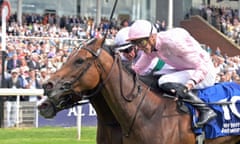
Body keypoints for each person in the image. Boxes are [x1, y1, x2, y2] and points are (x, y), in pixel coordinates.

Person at [127, 19, 217, 127]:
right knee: (152, 77)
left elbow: (202, 65)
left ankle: (205, 110)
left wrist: (189, 84)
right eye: (135, 43)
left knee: (164, 81)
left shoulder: (173, 42)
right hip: (185, 69)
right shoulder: (151, 47)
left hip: (205, 72)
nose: (139, 47)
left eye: (141, 42)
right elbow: (137, 70)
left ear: (152, 37)